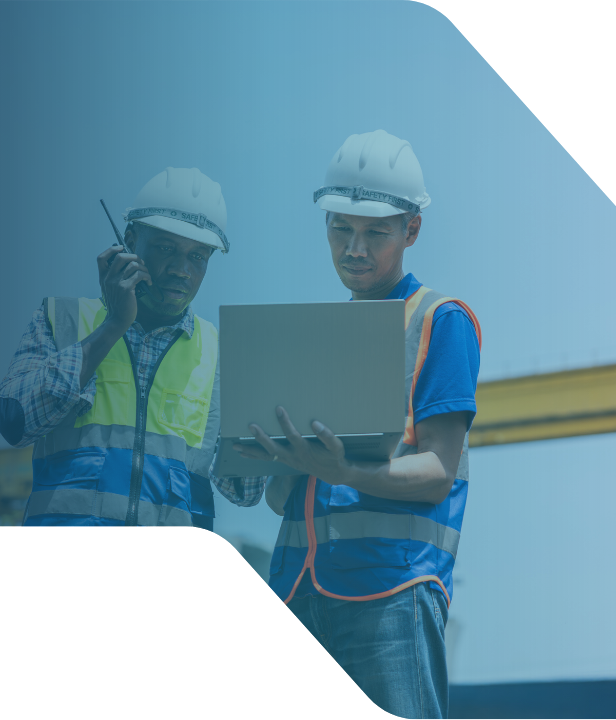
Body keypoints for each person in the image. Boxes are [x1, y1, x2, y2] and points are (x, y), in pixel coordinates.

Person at [235, 130, 481, 719]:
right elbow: (280, 500)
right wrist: (279, 456)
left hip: (389, 594)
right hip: (297, 591)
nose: (354, 248)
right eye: (341, 229)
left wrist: (339, 467)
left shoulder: (439, 321)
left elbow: (439, 472)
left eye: (375, 232)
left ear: (411, 230)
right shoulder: (314, 339)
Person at [0, 167, 264, 531]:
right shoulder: (62, 320)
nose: (182, 270)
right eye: (167, 249)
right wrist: (113, 325)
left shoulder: (222, 354)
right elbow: (15, 421)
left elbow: (245, 492)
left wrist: (271, 420)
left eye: (198, 257)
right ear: (129, 241)